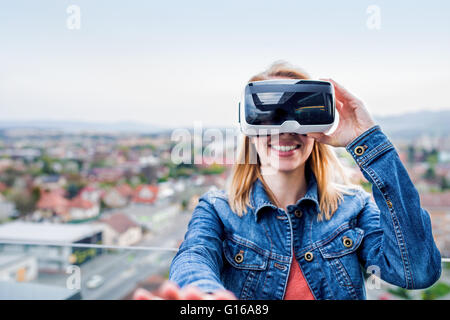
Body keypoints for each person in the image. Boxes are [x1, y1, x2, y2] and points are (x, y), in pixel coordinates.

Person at [134, 61, 441, 300]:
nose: (285, 130)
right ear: (249, 130)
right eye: (268, 115)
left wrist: (367, 140)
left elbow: (416, 271)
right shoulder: (217, 210)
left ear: (318, 129)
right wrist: (205, 296)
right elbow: (194, 258)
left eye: (301, 113)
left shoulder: (354, 208)